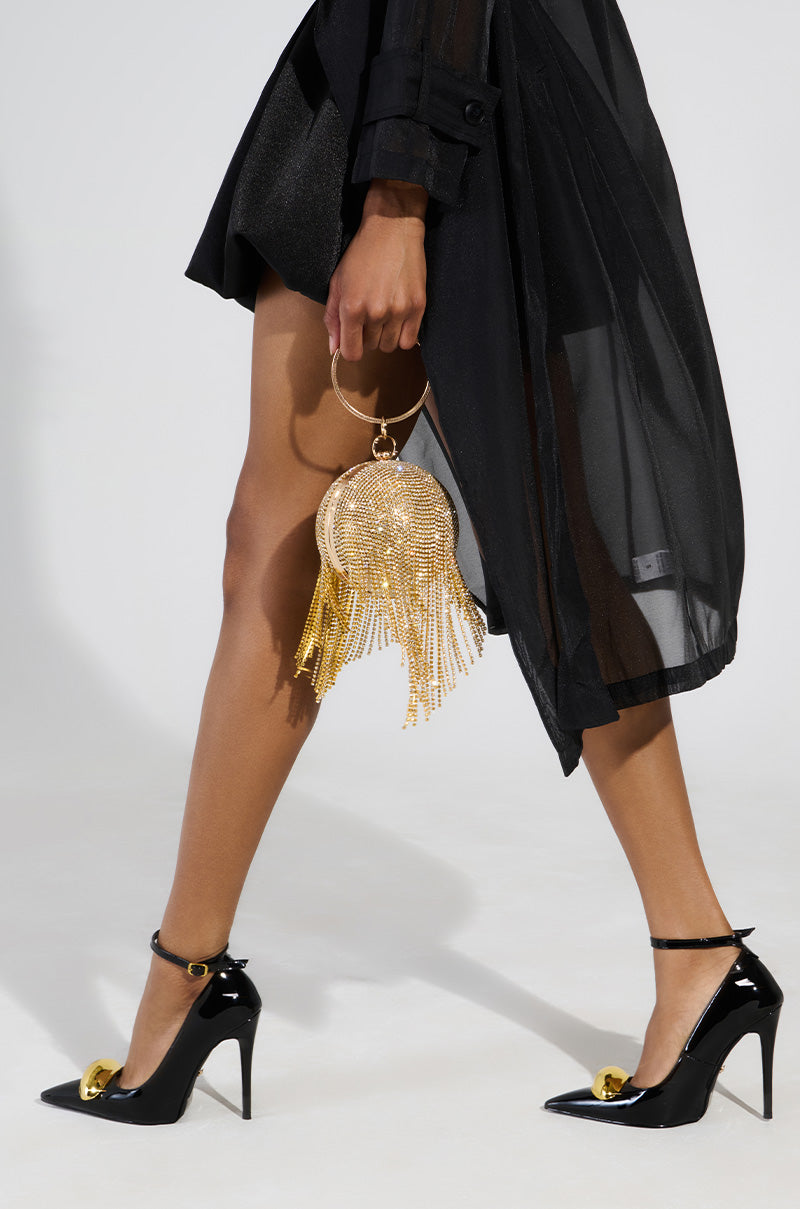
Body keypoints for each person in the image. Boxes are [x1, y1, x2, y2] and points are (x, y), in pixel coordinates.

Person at [41, 0, 782, 1128]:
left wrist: (397, 198)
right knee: (530, 532)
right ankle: (697, 951)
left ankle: (183, 987)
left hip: (430, 92)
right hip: (428, 77)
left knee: (285, 542)